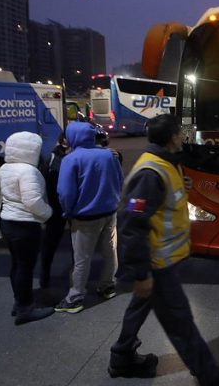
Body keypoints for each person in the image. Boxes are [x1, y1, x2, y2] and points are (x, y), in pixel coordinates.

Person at [109, 114, 219, 385]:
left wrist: (183, 187)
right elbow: (131, 225)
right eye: (180, 133)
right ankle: (210, 375)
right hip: (157, 264)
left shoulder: (167, 164)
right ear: (172, 137)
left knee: (140, 306)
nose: (183, 137)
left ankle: (122, 357)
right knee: (180, 321)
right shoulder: (151, 173)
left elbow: (162, 203)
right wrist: (142, 273)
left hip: (161, 260)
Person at [55, 122, 124, 314]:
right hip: (109, 213)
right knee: (110, 250)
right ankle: (108, 286)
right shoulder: (109, 155)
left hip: (84, 217)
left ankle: (75, 298)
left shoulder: (71, 159)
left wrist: (68, 212)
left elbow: (66, 193)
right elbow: (120, 181)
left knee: (82, 258)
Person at [0, 131, 54, 325]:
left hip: (7, 222)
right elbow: (33, 201)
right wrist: (48, 213)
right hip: (25, 225)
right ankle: (25, 309)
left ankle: (18, 301)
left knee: (16, 264)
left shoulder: (6, 167)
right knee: (25, 267)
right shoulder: (28, 171)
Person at [39, 134, 69, 289]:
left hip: (67, 207)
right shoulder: (54, 157)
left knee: (75, 245)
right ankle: (44, 276)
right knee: (50, 243)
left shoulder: (71, 155)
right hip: (56, 207)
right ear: (63, 141)